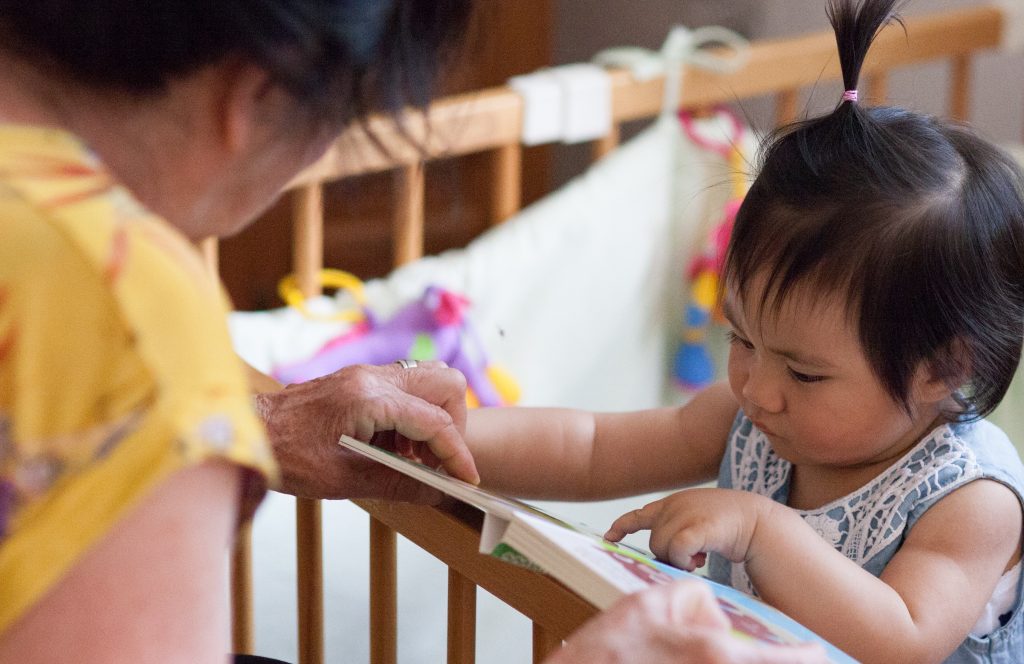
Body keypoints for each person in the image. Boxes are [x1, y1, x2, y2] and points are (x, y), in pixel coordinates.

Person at [0, 2, 828, 663]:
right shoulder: (122, 306)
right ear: (257, 95)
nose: (756, 387)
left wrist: (269, 420)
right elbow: (588, 447)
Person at [465, 0, 1024, 661]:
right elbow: (591, 448)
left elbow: (902, 638)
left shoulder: (968, 498)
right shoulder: (754, 418)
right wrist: (453, 433)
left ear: (942, 369)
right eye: (741, 339)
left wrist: (762, 528)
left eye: (804, 372)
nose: (757, 388)